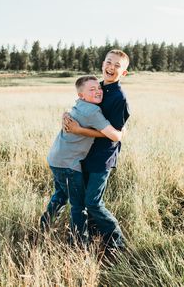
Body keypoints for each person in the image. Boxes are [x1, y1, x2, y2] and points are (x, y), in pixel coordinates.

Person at [40, 75, 123, 244]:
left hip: (56, 159)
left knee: (61, 195)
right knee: (79, 206)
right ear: (81, 95)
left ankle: (43, 228)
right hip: (69, 164)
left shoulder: (79, 104)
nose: (98, 91)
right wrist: (122, 132)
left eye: (98, 88)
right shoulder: (93, 111)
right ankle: (78, 243)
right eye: (91, 90)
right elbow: (114, 136)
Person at [64, 49, 130, 251]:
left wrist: (79, 130)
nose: (111, 67)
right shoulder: (96, 87)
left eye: (117, 65)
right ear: (102, 64)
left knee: (93, 202)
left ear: (123, 73)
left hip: (102, 157)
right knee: (81, 202)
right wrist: (66, 115)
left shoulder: (120, 98)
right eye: (109, 62)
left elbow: (116, 135)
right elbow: (80, 106)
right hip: (83, 154)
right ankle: (87, 239)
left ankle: (118, 242)